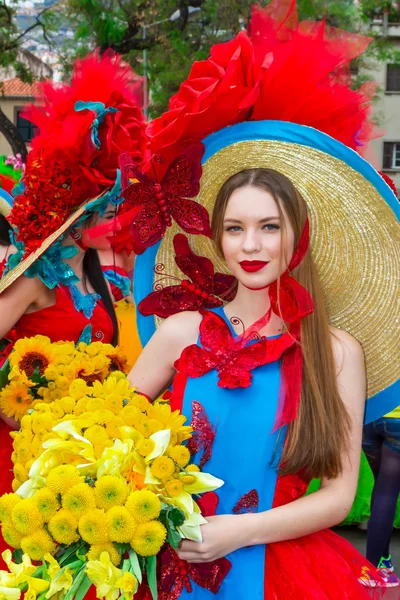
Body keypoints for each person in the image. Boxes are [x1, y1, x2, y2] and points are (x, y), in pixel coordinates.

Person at [125, 1, 400, 597]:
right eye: (235, 228)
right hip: (162, 572)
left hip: (279, 572)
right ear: (215, 237)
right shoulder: (179, 333)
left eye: (269, 227)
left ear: (297, 237)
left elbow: (338, 495)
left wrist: (237, 533)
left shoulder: (336, 351)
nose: (251, 245)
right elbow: (111, 440)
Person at [0, 50, 147, 567]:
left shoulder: (94, 275)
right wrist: (13, 404)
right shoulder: (35, 277)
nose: (111, 217)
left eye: (112, 207)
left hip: (78, 454)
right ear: (70, 206)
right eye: (101, 208)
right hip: (18, 454)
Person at [363, 408, 400, 571]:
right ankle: (371, 570)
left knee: (381, 490)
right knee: (387, 493)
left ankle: (383, 560)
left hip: (370, 419)